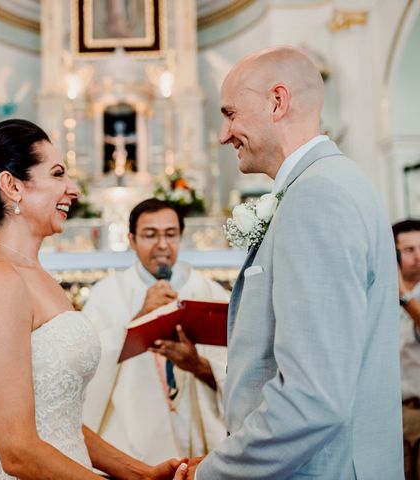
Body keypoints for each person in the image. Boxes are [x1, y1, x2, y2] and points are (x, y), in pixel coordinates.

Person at [0, 119, 189, 479]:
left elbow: (57, 416)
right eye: (57, 174)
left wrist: (139, 473)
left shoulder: (35, 274)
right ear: (12, 185)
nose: (73, 189)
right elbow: (17, 450)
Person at [192, 46, 402, 478]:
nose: (223, 134)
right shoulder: (337, 181)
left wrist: (213, 473)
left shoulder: (316, 197)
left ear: (277, 101)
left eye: (231, 113)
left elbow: (312, 398)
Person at [83, 198, 228, 464]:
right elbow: (86, 364)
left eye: (170, 234)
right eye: (150, 235)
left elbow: (239, 370)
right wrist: (139, 317)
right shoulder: (107, 293)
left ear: (181, 236)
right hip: (128, 441)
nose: (162, 245)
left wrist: (198, 365)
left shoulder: (210, 292)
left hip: (199, 442)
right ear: (132, 239)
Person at [393, 219, 420, 478]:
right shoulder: (380, 292)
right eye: (410, 249)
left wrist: (404, 296)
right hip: (392, 413)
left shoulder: (402, 296)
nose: (418, 256)